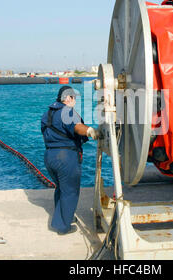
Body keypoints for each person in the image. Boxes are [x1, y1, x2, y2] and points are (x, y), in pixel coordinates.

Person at [41, 86, 99, 235]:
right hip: (65, 157)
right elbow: (77, 127)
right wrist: (89, 131)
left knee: (61, 189)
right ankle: (62, 226)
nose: (75, 102)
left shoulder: (47, 113)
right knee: (70, 192)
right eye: (74, 98)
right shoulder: (67, 112)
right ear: (69, 98)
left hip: (49, 156)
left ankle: (64, 217)